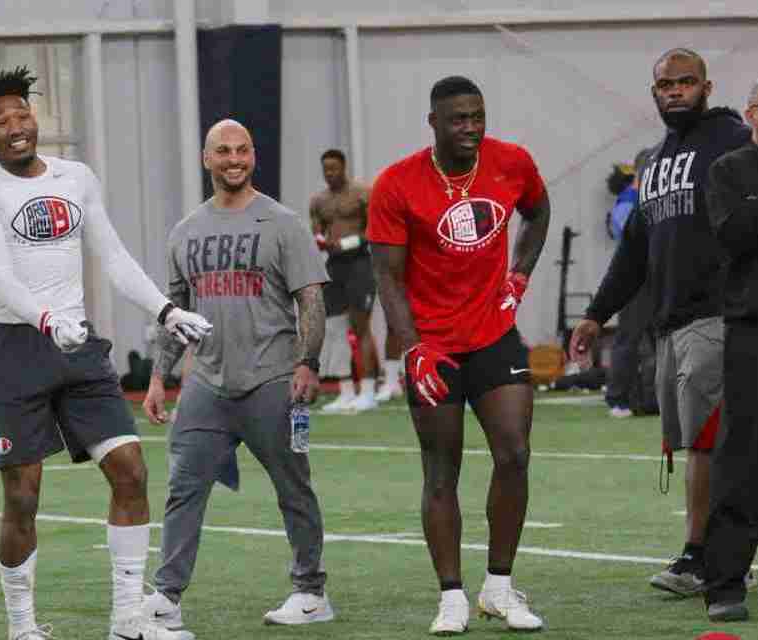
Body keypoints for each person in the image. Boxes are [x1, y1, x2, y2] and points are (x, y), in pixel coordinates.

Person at [0, 67, 209, 640]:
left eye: (22, 114)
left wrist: (167, 312)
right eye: (1, 121)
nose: (16, 127)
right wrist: (47, 320)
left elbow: (113, 257)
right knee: (23, 497)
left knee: (131, 471)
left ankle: (127, 622)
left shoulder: (76, 177)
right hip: (18, 348)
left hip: (79, 347)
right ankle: (22, 627)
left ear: (35, 119)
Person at [368, 75, 550, 634]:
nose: (470, 128)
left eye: (477, 116)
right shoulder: (397, 184)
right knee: (441, 470)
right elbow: (387, 278)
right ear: (434, 124)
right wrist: (413, 347)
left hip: (494, 334)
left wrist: (519, 274)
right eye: (458, 119)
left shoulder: (512, 162)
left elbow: (539, 211)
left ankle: (499, 587)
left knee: (514, 453)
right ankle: (451, 596)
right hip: (434, 346)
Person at [569, 48, 751, 598]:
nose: (675, 91)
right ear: (654, 92)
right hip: (669, 321)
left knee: (709, 443)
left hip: (718, 313)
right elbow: (634, 248)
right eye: (666, 85)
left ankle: (702, 557)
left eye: (686, 82)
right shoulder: (652, 162)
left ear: (706, 87)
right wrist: (596, 314)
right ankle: (718, 552)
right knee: (695, 442)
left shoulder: (732, 139)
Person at [142, 119, 334, 630]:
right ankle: (166, 597)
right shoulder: (185, 231)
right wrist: (159, 378)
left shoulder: (283, 223)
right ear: (206, 159)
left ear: (253, 156)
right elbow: (174, 313)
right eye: (224, 151)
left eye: (243, 150)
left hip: (274, 380)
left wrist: (308, 363)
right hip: (206, 383)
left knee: (294, 487)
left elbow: (311, 300)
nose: (234, 159)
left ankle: (311, 592)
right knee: (183, 488)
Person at [701, 79, 758, 622]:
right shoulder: (729, 171)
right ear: (753, 113)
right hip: (752, 330)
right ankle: (724, 583)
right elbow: (736, 234)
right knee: (742, 456)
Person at [310, 149, 381, 411]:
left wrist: (347, 243)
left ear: (343, 167)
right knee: (335, 329)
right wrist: (320, 240)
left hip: (359, 263)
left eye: (334, 168)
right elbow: (317, 230)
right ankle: (346, 391)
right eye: (326, 169)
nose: (330, 173)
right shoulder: (319, 200)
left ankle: (369, 391)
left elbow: (374, 228)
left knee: (361, 326)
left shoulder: (362, 193)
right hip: (334, 266)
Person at [604, 149, 653, 418]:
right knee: (629, 338)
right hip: (634, 281)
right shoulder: (628, 202)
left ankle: (648, 398)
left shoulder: (644, 199)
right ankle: (617, 398)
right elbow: (628, 238)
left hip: (654, 277)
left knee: (652, 340)